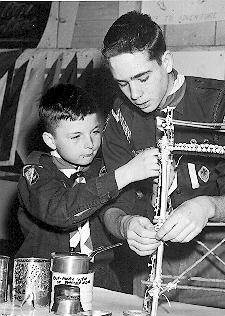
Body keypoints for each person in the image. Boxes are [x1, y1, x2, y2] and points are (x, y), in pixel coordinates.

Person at [100, 11, 225, 309]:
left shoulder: (220, 101)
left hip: (220, 265)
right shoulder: (120, 117)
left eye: (142, 77)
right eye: (122, 83)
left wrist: (206, 207)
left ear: (166, 62)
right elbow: (110, 202)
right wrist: (126, 224)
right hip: (150, 264)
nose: (134, 93)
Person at [16, 83, 160, 291]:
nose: (90, 144)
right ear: (50, 140)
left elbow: (129, 211)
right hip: (43, 280)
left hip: (99, 279)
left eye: (95, 132)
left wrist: (154, 195)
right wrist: (126, 173)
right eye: (76, 136)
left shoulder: (104, 170)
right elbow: (62, 211)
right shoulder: (37, 173)